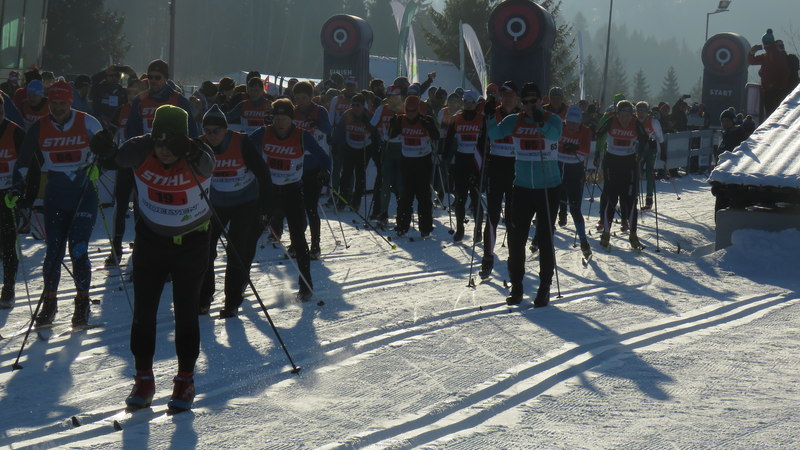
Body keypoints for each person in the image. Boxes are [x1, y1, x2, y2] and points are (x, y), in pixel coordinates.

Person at [90, 104, 214, 412]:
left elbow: (208, 165)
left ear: (184, 140)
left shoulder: (197, 153)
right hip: (151, 242)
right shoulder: (141, 148)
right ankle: (143, 379)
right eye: (159, 142)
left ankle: (185, 381)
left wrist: (187, 148)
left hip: (191, 244)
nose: (164, 150)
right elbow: (115, 160)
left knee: (186, 312)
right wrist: (105, 150)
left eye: (172, 143)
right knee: (144, 313)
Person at [9, 80, 104, 326]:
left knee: (78, 249)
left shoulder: (89, 123)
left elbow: (107, 151)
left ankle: (82, 303)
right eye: (54, 103)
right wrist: (17, 188)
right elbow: (23, 162)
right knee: (53, 252)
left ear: (70, 102)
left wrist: (99, 168)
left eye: (62, 103)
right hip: (55, 197)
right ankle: (49, 303)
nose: (58, 108)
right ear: (48, 102)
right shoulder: (39, 127)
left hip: (83, 196)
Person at [111, 59, 197, 266]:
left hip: (168, 161)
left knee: (153, 207)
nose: (153, 81)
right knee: (124, 203)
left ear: (166, 79)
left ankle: (151, 250)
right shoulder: (140, 100)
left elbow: (192, 134)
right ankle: (118, 249)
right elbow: (131, 132)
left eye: (158, 77)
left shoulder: (179, 100)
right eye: (150, 77)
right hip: (142, 159)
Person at [487, 82, 562, 307]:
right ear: (521, 102)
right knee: (516, 240)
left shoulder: (552, 119)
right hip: (521, 187)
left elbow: (555, 136)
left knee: (545, 239)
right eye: (526, 102)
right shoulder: (514, 120)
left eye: (533, 101)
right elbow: (494, 134)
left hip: (548, 187)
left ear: (541, 101)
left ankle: (544, 287)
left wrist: (540, 121)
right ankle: (517, 286)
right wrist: (489, 116)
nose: (530, 106)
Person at [250, 99, 330, 301]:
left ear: (291, 119)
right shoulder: (263, 132)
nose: (280, 123)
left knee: (298, 238)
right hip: (269, 192)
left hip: (292, 191)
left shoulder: (302, 136)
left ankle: (305, 286)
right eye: (277, 118)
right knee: (250, 237)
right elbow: (243, 146)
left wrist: (324, 171)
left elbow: (323, 156)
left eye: (284, 119)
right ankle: (240, 283)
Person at [196, 105, 268, 317]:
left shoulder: (242, 142)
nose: (211, 135)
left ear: (225, 129)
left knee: (236, 250)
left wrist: (266, 208)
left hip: (245, 202)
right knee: (205, 249)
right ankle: (204, 298)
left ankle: (232, 301)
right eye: (207, 130)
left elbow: (263, 174)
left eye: (216, 131)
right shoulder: (199, 145)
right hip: (216, 203)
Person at [596, 100, 648, 251]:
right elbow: (599, 134)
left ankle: (633, 234)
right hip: (611, 163)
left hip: (629, 163)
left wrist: (641, 151)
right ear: (617, 114)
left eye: (628, 115)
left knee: (630, 199)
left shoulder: (636, 123)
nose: (625, 118)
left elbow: (644, 138)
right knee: (611, 197)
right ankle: (606, 233)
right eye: (622, 115)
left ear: (632, 115)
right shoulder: (611, 121)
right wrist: (597, 149)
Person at [479, 81, 518, 279]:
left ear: (516, 97)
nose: (508, 98)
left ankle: (514, 258)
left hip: (516, 169)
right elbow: (481, 141)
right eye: (505, 95)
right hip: (496, 167)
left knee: (513, 218)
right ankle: (488, 257)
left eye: (511, 95)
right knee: (492, 214)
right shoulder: (492, 112)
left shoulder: (522, 116)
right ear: (501, 97)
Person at [291, 81, 332, 259]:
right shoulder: (293, 111)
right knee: (296, 208)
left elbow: (328, 129)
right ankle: (296, 242)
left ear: (311, 97)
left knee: (311, 207)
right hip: (296, 165)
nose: (300, 101)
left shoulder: (319, 111)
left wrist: (317, 123)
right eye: (297, 98)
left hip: (315, 164)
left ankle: (315, 245)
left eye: (304, 98)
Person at [389, 95, 440, 238]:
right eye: (408, 110)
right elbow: (392, 135)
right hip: (407, 161)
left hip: (423, 161)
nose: (410, 114)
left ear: (418, 109)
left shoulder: (426, 119)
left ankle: (425, 227)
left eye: (413, 111)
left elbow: (436, 136)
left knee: (423, 196)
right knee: (405, 196)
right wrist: (393, 124)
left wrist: (428, 126)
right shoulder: (401, 119)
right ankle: (402, 226)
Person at [444, 90, 483, 242]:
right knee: (460, 197)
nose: (468, 104)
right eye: (466, 101)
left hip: (476, 161)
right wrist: (445, 157)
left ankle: (478, 230)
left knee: (476, 197)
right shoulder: (456, 118)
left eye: (471, 101)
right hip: (461, 160)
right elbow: (448, 140)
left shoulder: (482, 119)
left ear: (476, 103)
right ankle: (460, 229)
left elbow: (485, 142)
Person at [557, 106, 593, 259]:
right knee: (549, 206)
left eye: (575, 123)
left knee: (575, 209)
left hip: (575, 172)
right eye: (569, 122)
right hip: (557, 169)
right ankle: (539, 238)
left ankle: (584, 242)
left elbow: (586, 150)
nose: (571, 126)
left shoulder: (585, 131)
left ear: (579, 123)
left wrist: (574, 147)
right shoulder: (559, 127)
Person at [333, 93, 379, 212]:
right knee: (346, 175)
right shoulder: (347, 114)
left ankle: (356, 202)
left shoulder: (369, 116)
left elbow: (376, 133)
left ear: (363, 106)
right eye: (353, 105)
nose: (355, 107)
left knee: (360, 175)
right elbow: (339, 130)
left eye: (358, 105)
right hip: (350, 146)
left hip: (364, 148)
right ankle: (342, 200)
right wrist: (335, 143)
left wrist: (375, 147)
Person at [0, 94, 25, 309]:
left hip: (8, 195)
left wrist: (20, 191)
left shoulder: (15, 132)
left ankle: (8, 288)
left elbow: (29, 164)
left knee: (8, 243)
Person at [370, 85, 404, 225]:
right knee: (385, 182)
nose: (392, 100)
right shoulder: (382, 109)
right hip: (386, 147)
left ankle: (402, 212)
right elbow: (372, 124)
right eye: (390, 97)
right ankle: (383, 212)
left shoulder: (404, 109)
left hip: (401, 148)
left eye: (395, 97)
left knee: (400, 182)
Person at [748, 28, 791, 118]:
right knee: (775, 114)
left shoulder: (767, 56)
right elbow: (785, 72)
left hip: (772, 91)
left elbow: (752, 61)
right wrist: (781, 86)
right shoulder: (777, 55)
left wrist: (752, 53)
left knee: (771, 114)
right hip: (777, 90)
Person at [635, 101, 664, 211]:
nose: (641, 113)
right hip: (639, 149)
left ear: (647, 112)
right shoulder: (634, 121)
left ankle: (649, 199)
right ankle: (634, 198)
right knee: (636, 173)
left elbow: (660, 138)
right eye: (638, 111)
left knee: (649, 173)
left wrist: (663, 151)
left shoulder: (654, 122)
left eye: (643, 111)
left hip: (651, 149)